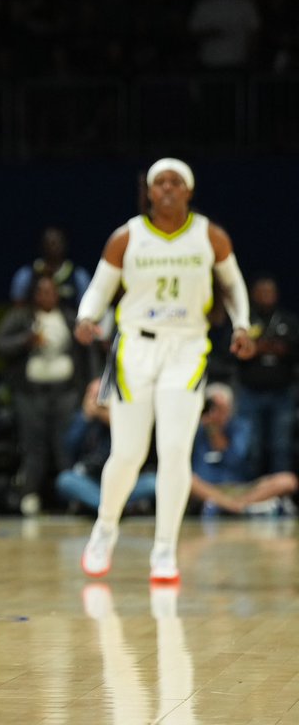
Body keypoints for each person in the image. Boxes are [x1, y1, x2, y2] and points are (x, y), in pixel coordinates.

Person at [76, 157, 254, 583]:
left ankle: (164, 550)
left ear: (189, 191)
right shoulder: (127, 237)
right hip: (135, 347)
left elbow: (232, 286)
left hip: (187, 349)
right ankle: (104, 528)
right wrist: (87, 316)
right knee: (128, 453)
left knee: (175, 451)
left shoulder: (209, 235)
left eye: (177, 182)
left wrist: (243, 324)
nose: (169, 189)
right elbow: (99, 288)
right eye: (161, 183)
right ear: (150, 192)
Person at [0, 275, 85, 515]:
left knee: (64, 446)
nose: (47, 296)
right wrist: (27, 340)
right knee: (33, 446)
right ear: (34, 295)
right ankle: (30, 495)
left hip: (64, 392)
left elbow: (85, 351)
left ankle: (72, 498)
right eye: (42, 291)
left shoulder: (68, 317)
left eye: (51, 291)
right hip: (30, 393)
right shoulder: (21, 316)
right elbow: (0, 345)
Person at [188, 383, 298, 515]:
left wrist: (216, 432)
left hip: (240, 488)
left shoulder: (241, 428)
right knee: (188, 480)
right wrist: (207, 426)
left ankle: (227, 506)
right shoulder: (194, 429)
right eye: (212, 407)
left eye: (221, 408)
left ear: (229, 408)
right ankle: (234, 507)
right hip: (207, 488)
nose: (216, 413)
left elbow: (236, 462)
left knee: (287, 481)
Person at [55, 379, 156, 514]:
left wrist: (110, 419)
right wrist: (85, 419)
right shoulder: (82, 419)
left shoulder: (125, 417)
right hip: (92, 481)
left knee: (153, 483)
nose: (98, 402)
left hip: (125, 482)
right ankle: (112, 508)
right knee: (66, 480)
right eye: (93, 396)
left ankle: (101, 506)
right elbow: (68, 449)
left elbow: (140, 446)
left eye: (101, 396)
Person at [238, 276, 299, 476]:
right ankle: (250, 498)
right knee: (251, 447)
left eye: (269, 292)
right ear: (253, 295)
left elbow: (293, 349)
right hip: (250, 392)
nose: (265, 296)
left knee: (281, 446)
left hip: (282, 393)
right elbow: (230, 351)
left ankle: (279, 498)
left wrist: (264, 348)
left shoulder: (288, 321)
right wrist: (260, 348)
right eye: (261, 292)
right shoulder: (245, 321)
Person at [9, 226, 91, 306]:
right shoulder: (27, 274)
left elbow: (87, 307)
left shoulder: (78, 275)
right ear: (42, 245)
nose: (54, 247)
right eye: (50, 243)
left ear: (65, 245)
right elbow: (18, 307)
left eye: (58, 242)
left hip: (69, 319)